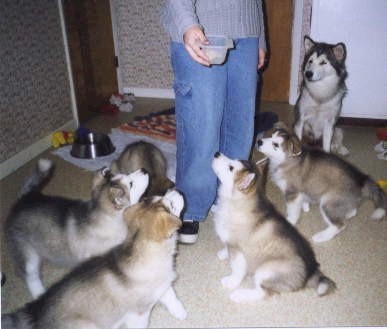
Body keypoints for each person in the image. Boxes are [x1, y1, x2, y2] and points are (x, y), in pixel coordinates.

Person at [160, 0, 267, 244]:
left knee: (240, 124)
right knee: (202, 124)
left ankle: (229, 198)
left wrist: (260, 38)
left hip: (247, 34)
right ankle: (190, 206)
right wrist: (187, 24)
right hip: (202, 28)